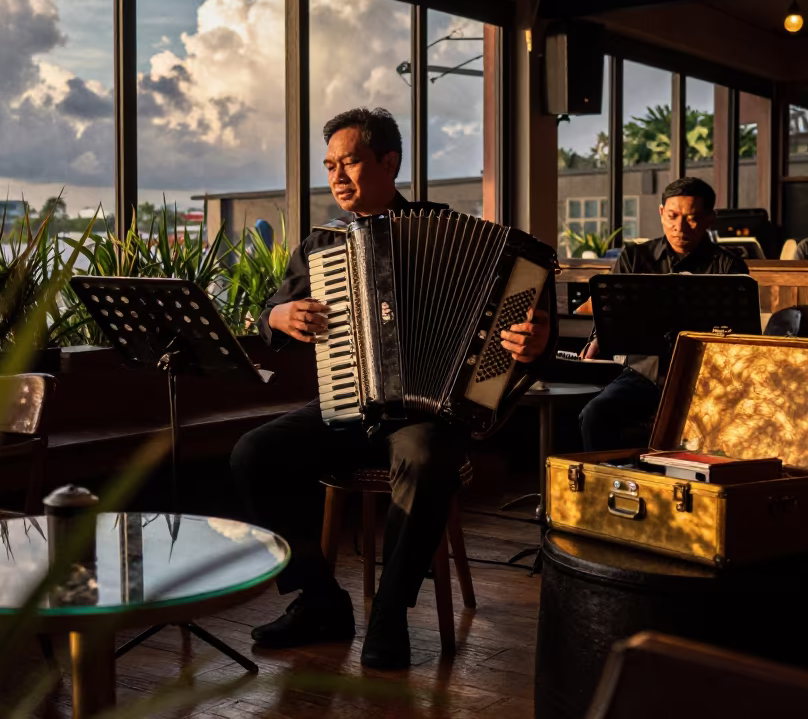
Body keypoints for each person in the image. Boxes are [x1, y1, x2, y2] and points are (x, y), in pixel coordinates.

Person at [230, 107, 553, 669]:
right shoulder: (322, 245)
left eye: (350, 162)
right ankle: (319, 600)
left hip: (432, 416)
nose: (337, 176)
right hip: (347, 404)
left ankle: (390, 612)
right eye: (329, 165)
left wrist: (532, 344)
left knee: (425, 457)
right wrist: (278, 316)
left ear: (389, 162)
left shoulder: (452, 234)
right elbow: (269, 319)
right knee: (253, 454)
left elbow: (527, 337)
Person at [576, 177, 747, 452]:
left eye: (691, 218)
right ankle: (606, 477)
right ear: (661, 213)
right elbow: (611, 311)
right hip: (645, 374)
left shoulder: (728, 265)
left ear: (709, 218)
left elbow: (739, 332)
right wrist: (598, 338)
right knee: (594, 415)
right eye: (672, 216)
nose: (679, 227)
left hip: (707, 377)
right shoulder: (635, 257)